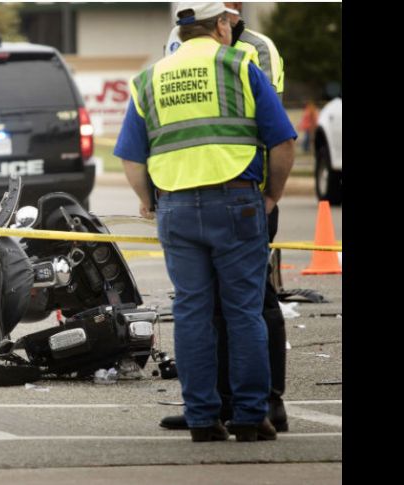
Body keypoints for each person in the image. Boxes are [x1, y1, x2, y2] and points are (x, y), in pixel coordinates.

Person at [115, 2, 296, 442]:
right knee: (244, 311)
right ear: (220, 25)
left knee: (192, 313)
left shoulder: (150, 77)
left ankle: (201, 418)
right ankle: (251, 417)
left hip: (176, 208)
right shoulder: (241, 65)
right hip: (237, 202)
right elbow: (283, 140)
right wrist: (271, 194)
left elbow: (132, 157)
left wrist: (147, 201)